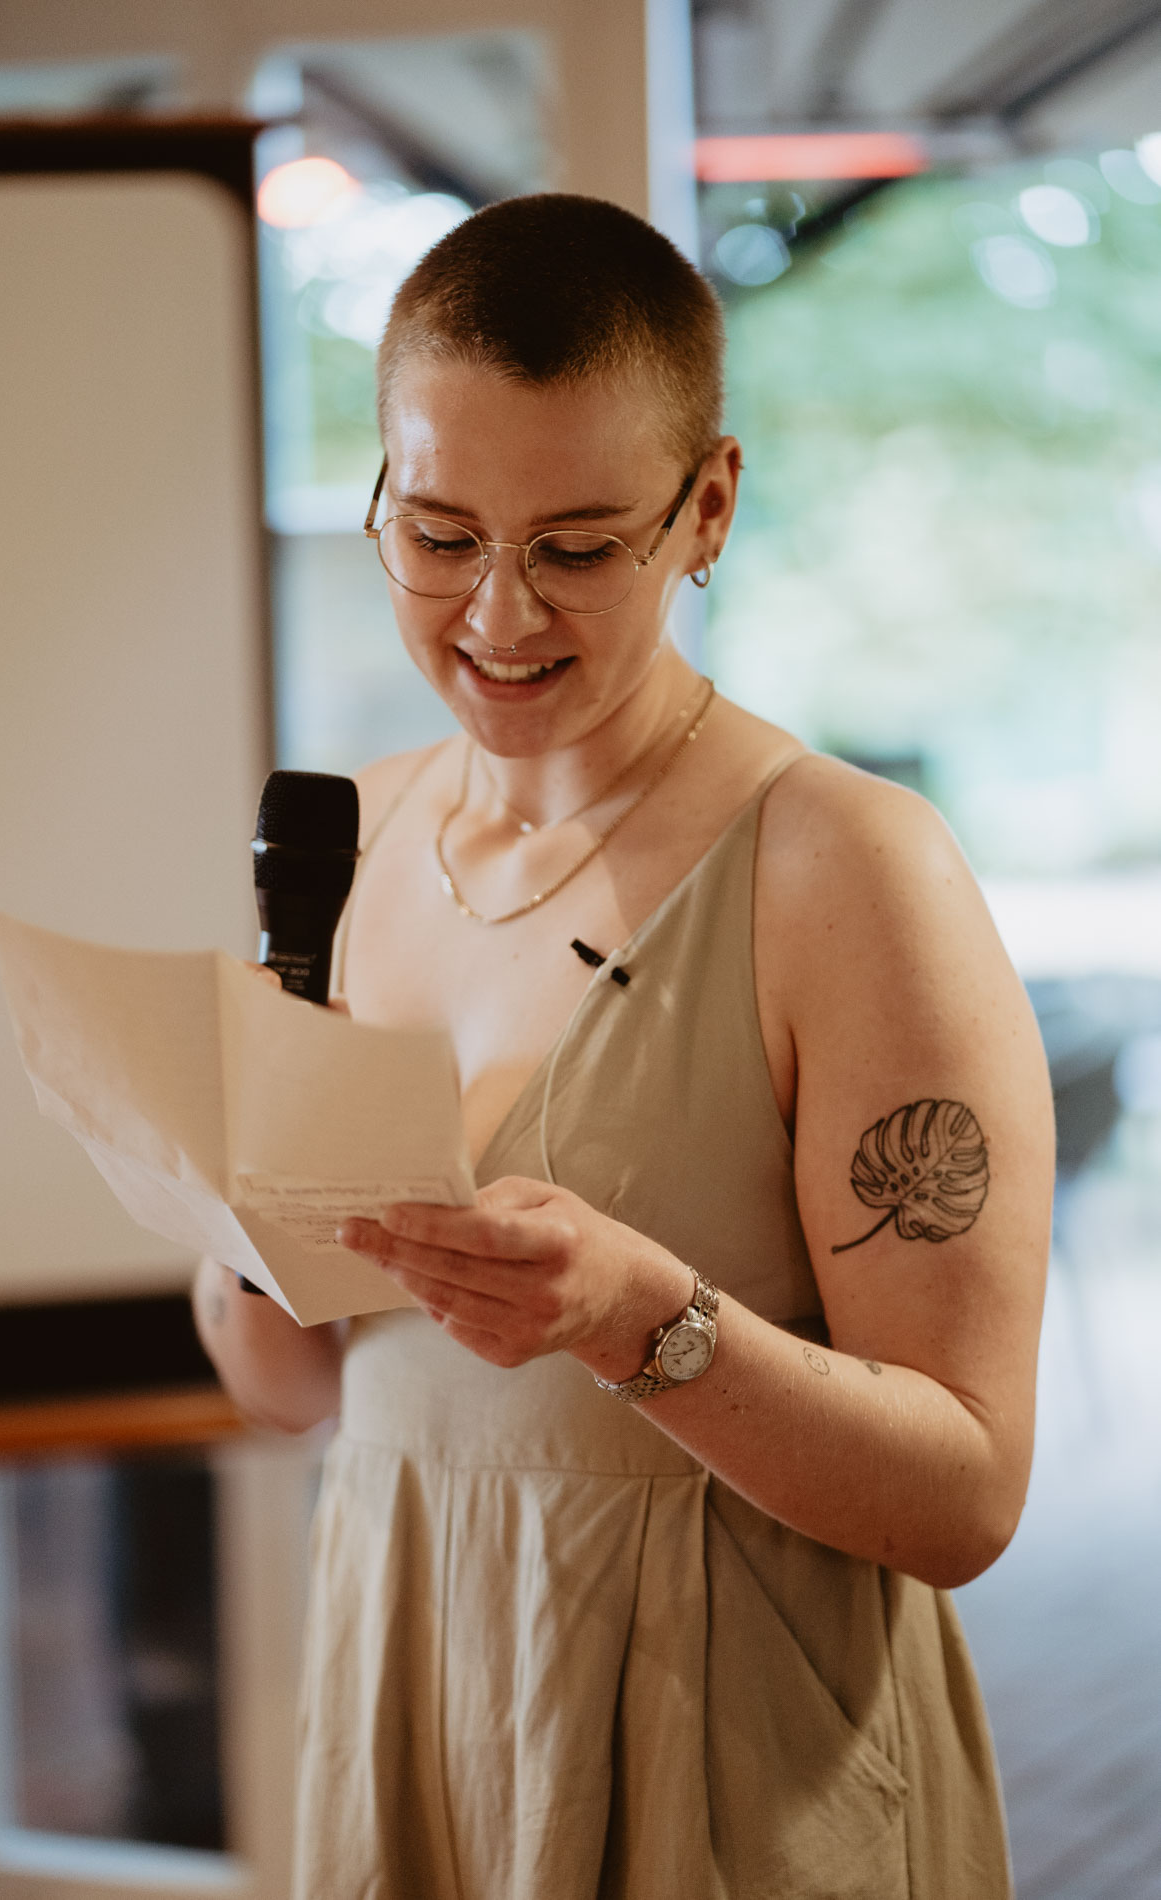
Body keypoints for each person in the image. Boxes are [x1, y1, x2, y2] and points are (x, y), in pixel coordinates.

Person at [193, 194, 1053, 1899]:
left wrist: (641, 1321)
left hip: (732, 1761)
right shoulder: (342, 844)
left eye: (577, 547)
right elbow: (290, 1389)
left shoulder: (844, 871)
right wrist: (232, 1220)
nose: (497, 617)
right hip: (415, 1692)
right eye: (436, 535)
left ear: (707, 505)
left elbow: (966, 1496)